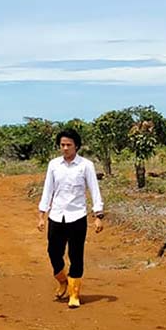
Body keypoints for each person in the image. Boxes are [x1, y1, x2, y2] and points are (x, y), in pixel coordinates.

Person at [37, 128, 104, 308]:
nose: (65, 148)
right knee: (53, 252)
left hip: (77, 216)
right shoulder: (53, 165)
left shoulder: (86, 165)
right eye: (62, 145)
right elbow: (48, 190)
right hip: (57, 216)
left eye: (69, 145)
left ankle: (74, 294)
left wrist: (98, 215)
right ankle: (62, 281)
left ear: (76, 146)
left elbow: (94, 190)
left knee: (76, 255)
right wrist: (42, 214)